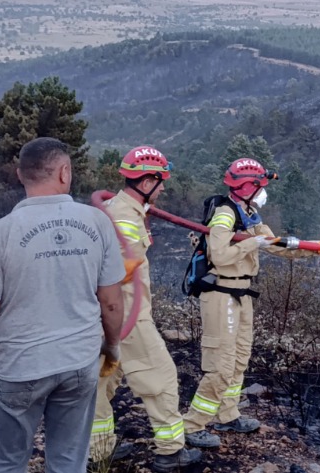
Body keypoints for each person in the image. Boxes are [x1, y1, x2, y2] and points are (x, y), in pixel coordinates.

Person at [0, 137, 126, 473]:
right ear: (65, 172)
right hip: (78, 366)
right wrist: (112, 348)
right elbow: (111, 304)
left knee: (7, 465)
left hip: (22, 368)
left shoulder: (0, 233)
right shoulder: (98, 224)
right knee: (68, 464)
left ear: (20, 175)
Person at [93, 146, 205, 470]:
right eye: (161, 181)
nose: (164, 188)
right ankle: (170, 452)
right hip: (127, 315)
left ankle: (98, 452)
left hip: (106, 315)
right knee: (162, 377)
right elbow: (117, 269)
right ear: (145, 183)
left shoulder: (117, 209)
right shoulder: (125, 218)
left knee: (100, 383)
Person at [181, 157, 303, 439]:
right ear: (247, 186)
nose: (263, 190)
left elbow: (276, 246)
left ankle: (227, 415)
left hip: (241, 294)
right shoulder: (225, 214)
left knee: (239, 360)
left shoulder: (248, 213)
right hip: (220, 294)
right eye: (260, 184)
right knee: (221, 364)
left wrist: (319, 249)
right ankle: (193, 426)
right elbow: (220, 256)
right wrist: (252, 243)